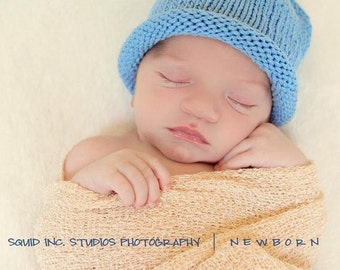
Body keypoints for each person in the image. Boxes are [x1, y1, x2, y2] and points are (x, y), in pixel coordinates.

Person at [63, 0, 311, 209]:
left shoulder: (253, 178)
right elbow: (61, 225)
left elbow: (296, 232)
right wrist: (92, 181)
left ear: (266, 122)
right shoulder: (99, 155)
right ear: (136, 86)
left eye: (240, 101)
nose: (202, 109)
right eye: (174, 79)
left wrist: (293, 171)